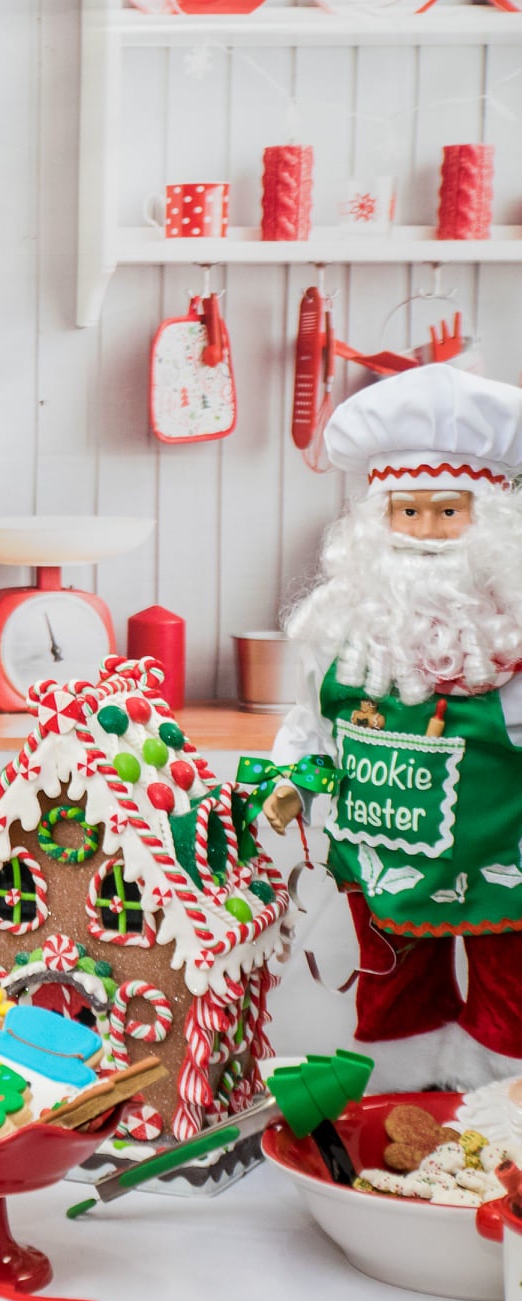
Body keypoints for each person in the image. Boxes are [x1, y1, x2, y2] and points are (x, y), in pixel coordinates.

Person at [269, 364, 522, 1090]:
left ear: (489, 524)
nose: (426, 532)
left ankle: (498, 1108)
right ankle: (398, 1094)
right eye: (408, 512)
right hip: (380, 855)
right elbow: (312, 724)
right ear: (377, 523)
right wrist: (291, 782)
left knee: (511, 994)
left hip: (500, 860)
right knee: (392, 989)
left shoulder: (508, 634)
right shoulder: (344, 630)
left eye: (448, 512)